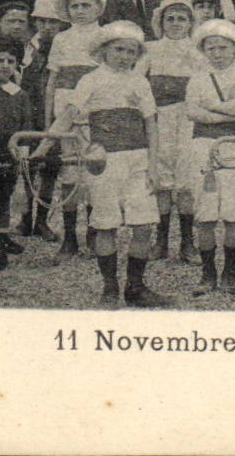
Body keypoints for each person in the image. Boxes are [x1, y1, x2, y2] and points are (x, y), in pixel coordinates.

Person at [34, 20, 174, 308]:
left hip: (138, 160)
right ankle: (110, 288)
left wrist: (153, 165)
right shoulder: (90, 80)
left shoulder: (139, 81)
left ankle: (135, 287)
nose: (124, 56)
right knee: (106, 225)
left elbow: (151, 125)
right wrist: (43, 147)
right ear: (104, 51)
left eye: (131, 51)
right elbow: (68, 116)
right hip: (104, 161)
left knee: (144, 224)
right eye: (118, 50)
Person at [182, 18, 235, 296]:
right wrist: (227, 110)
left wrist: (213, 106)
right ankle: (207, 272)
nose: (217, 53)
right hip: (202, 144)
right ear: (204, 50)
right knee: (206, 212)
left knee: (233, 211)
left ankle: (231, 271)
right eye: (211, 48)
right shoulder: (198, 78)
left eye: (223, 47)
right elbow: (193, 112)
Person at [42, 0, 108, 262]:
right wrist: (49, 119)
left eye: (86, 5)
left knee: (93, 169)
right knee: (69, 172)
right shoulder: (61, 39)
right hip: (65, 109)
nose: (80, 11)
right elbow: (53, 80)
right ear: (67, 10)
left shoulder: (105, 36)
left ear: (98, 8)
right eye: (75, 6)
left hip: (93, 109)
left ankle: (94, 235)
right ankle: (69, 238)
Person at [138, 0, 201, 263]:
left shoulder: (198, 52)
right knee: (162, 180)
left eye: (182, 19)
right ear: (161, 22)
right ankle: (161, 241)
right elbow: (139, 83)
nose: (176, 24)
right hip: (159, 120)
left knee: (185, 180)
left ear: (190, 23)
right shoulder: (150, 50)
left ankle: (188, 243)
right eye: (170, 19)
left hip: (187, 120)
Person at [0, 37, 35, 272]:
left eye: (10, 61)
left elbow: (25, 128)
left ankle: (1, 245)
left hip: (8, 155)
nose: (4, 65)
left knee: (3, 200)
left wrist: (22, 156)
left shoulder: (19, 96)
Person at [17, 0, 69, 241]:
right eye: (43, 22)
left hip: (54, 112)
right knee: (28, 163)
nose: (48, 27)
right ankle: (26, 218)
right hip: (30, 112)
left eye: (53, 23)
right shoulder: (28, 48)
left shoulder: (65, 46)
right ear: (35, 22)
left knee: (51, 166)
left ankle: (42, 221)